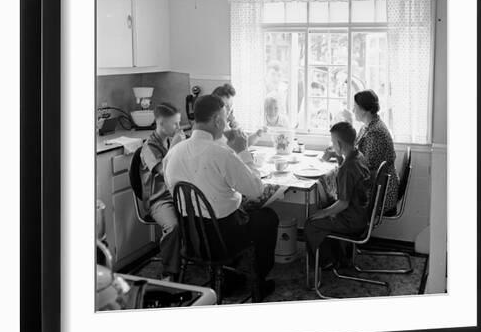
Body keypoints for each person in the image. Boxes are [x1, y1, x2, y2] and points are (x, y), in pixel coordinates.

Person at [163, 94, 279, 300]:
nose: (226, 122)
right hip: (222, 238)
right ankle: (257, 284)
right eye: (225, 117)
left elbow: (172, 188)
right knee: (267, 217)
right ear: (217, 120)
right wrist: (243, 151)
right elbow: (256, 189)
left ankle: (229, 278)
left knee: (236, 214)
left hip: (190, 235)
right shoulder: (221, 153)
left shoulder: (173, 153)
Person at [304, 121, 372, 268]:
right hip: (361, 214)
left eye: (333, 142)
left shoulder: (346, 169)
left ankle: (325, 262)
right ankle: (337, 256)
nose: (332, 145)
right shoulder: (358, 156)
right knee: (326, 206)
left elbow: (343, 203)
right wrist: (340, 156)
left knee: (311, 223)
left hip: (352, 221)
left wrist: (324, 213)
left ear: (340, 145)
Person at [138, 102, 186, 281]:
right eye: (175, 124)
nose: (179, 127)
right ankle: (169, 272)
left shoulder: (169, 139)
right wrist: (175, 146)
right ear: (161, 124)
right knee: (173, 226)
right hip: (159, 200)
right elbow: (165, 171)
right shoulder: (149, 148)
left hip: (178, 194)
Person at [353, 89, 399, 213]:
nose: (353, 111)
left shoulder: (375, 132)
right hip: (376, 185)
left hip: (380, 192)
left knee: (335, 195)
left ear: (364, 109)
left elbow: (367, 166)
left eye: (355, 107)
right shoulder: (368, 126)